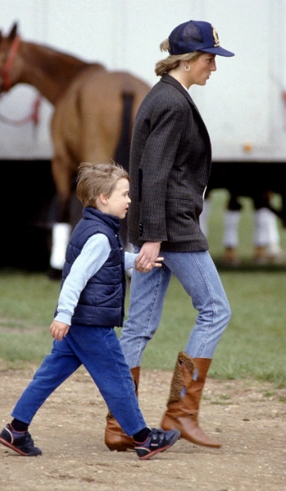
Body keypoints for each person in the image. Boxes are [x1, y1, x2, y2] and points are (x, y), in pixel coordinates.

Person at [104, 20, 233, 451]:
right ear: (190, 59)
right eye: (211, 59)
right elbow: (154, 175)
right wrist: (155, 238)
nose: (214, 67)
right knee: (215, 309)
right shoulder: (173, 103)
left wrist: (145, 235)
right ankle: (180, 412)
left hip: (155, 227)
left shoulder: (163, 96)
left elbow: (150, 173)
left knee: (138, 326)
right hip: (172, 228)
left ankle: (121, 426)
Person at [0, 161, 180, 461]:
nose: (129, 200)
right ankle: (144, 439)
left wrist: (135, 261)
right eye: (124, 194)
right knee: (118, 377)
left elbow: (104, 264)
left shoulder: (93, 228)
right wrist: (63, 314)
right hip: (91, 325)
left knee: (48, 375)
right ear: (103, 198)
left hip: (80, 324)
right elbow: (77, 277)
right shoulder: (99, 236)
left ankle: (16, 429)